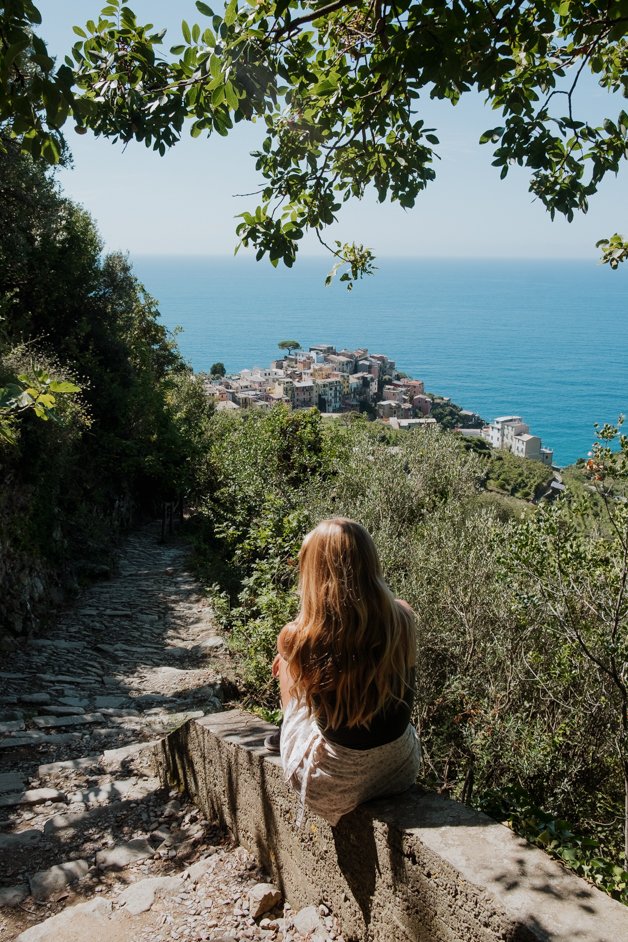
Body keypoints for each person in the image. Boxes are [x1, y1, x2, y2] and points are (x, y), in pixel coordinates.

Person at [269, 517, 421, 826]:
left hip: (333, 784)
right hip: (400, 769)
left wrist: (288, 660)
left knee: (286, 661)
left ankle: (286, 728)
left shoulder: (299, 636)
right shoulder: (402, 618)